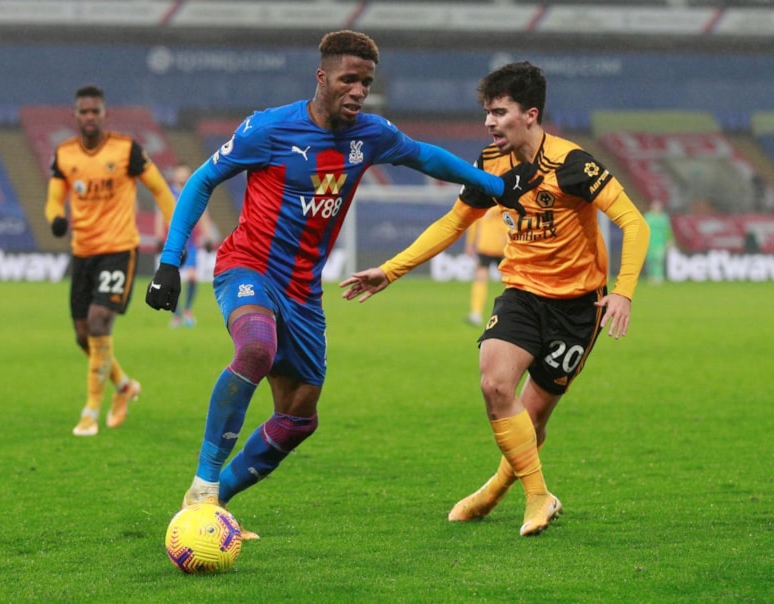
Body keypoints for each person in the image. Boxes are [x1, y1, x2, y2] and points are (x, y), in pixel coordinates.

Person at [145, 30, 537, 539]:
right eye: (349, 79)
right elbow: (201, 180)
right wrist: (170, 261)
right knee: (257, 348)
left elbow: (425, 156)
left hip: (304, 292)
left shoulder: (369, 135)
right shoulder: (268, 129)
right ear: (322, 77)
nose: (359, 91)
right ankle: (201, 487)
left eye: (366, 82)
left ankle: (215, 503)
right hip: (249, 268)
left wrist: (496, 186)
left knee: (299, 416)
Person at [341, 61, 650, 536]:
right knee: (495, 385)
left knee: (533, 419)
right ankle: (538, 496)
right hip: (521, 293)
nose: (489, 122)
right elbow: (454, 222)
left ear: (530, 114)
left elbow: (634, 222)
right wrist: (391, 269)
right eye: (487, 112)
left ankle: (495, 490)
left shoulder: (572, 164)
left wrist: (624, 292)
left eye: (499, 112)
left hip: (577, 307)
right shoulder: (491, 163)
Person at [45, 84, 176, 436]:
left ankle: (90, 412)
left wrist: (176, 234)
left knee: (99, 321)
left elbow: (160, 189)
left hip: (118, 249)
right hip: (83, 253)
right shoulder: (64, 154)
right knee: (83, 336)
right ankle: (124, 386)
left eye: (95, 111)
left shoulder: (126, 150)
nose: (90, 117)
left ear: (105, 115)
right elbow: (54, 198)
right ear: (75, 116)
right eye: (84, 111)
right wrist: (55, 218)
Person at [156, 163, 218, 328]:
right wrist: (159, 236)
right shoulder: (168, 193)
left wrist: (208, 237)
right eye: (180, 173)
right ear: (175, 175)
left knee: (191, 277)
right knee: (171, 277)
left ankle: (188, 310)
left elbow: (203, 215)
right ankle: (176, 315)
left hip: (191, 243)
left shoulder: (195, 190)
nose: (183, 176)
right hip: (172, 242)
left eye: (185, 173)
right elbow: (160, 214)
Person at [464, 205, 508, 326]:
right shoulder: (485, 203)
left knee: (510, 281)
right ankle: (476, 313)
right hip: (487, 246)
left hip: (503, 247)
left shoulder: (502, 202)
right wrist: (470, 243)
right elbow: (474, 222)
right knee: (481, 277)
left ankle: (512, 312)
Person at [643, 199, 672, 284]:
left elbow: (667, 230)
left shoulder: (663, 218)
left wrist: (669, 241)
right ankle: (651, 277)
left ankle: (658, 277)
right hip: (649, 241)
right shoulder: (648, 217)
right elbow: (643, 229)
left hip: (660, 242)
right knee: (650, 260)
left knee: (659, 259)